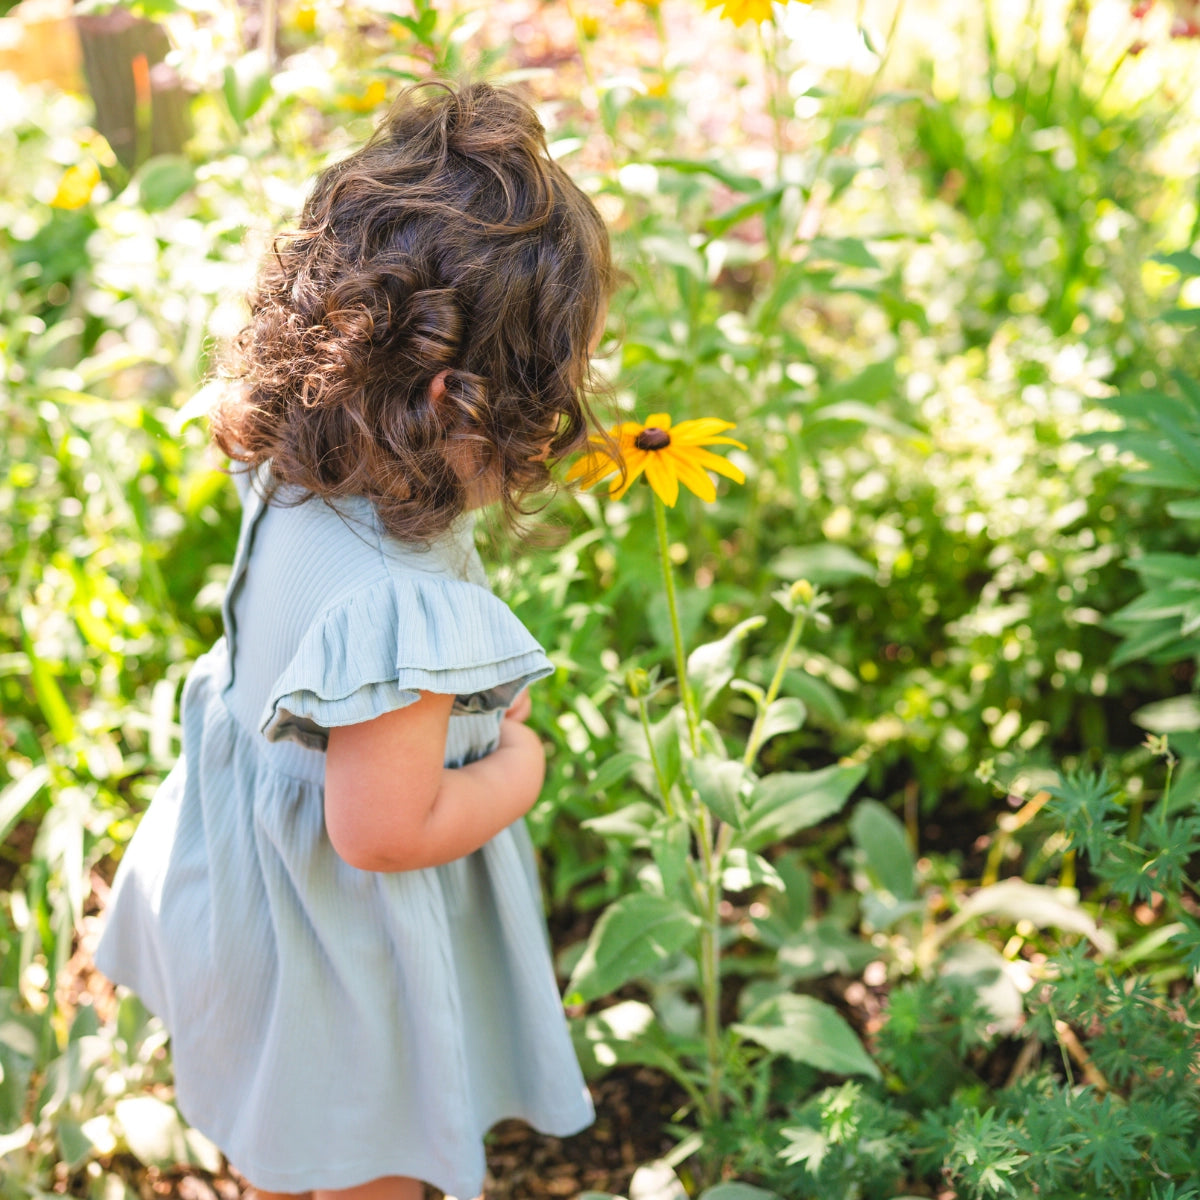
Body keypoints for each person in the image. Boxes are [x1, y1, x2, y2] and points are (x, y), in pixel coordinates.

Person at [95, 80, 615, 1200]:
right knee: (367, 1150)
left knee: (281, 1113)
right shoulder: (393, 608)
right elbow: (384, 832)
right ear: (461, 405)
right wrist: (519, 769)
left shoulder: (292, 454)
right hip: (342, 940)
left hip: (247, 877)